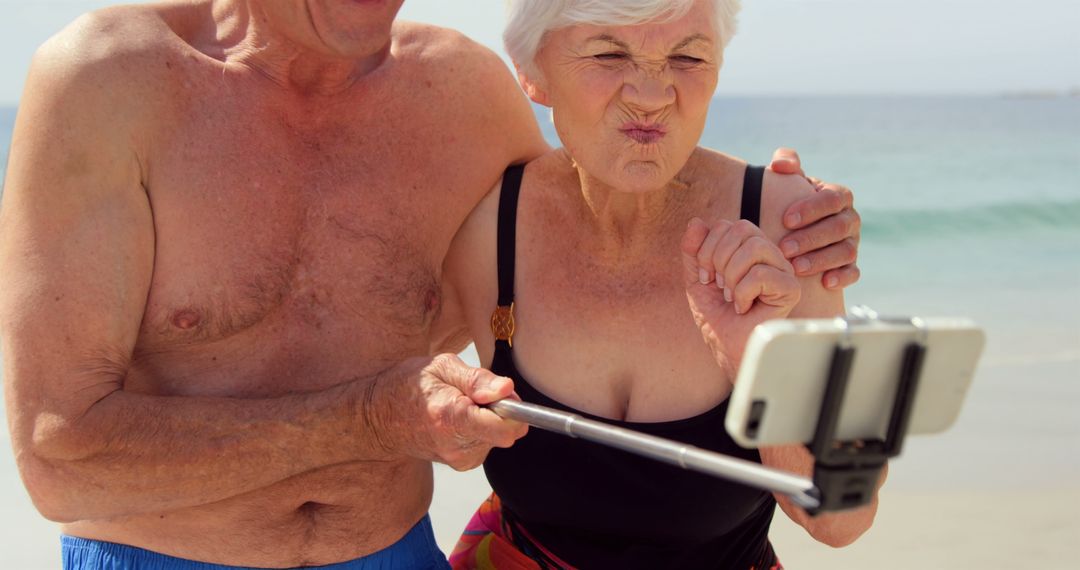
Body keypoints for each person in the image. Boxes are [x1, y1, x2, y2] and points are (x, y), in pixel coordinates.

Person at [0, 1, 861, 568]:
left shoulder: (460, 94)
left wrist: (804, 223)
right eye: (608, 48)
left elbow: (613, 184)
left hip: (395, 554)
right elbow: (56, 462)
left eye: (687, 56)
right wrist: (376, 417)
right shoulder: (107, 82)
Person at [442, 1, 880, 568]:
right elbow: (389, 388)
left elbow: (844, 520)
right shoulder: (484, 224)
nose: (652, 93)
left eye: (687, 56)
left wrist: (758, 365)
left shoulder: (789, 226)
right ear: (532, 73)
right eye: (608, 52)